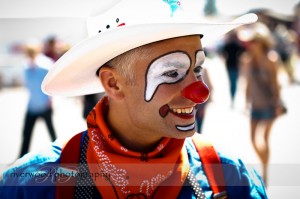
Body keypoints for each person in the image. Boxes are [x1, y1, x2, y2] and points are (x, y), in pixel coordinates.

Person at [0, 1, 267, 198]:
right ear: (113, 83)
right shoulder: (30, 186)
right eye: (172, 73)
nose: (199, 91)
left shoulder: (232, 178)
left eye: (197, 70)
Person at [238, 22, 284, 187]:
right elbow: (247, 84)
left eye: (253, 41)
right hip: (255, 105)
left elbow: (276, 83)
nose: (250, 44)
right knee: (252, 139)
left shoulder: (271, 58)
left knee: (264, 139)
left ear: (261, 41)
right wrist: (245, 103)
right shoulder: (247, 59)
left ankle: (265, 171)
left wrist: (278, 103)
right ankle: (264, 165)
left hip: (269, 104)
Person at [18, 39, 57, 158]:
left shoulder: (45, 65)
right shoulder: (26, 67)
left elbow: (50, 84)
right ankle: (21, 158)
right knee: (26, 133)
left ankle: (60, 154)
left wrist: (50, 101)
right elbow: (28, 86)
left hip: (44, 105)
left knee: (51, 133)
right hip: (32, 105)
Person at [219, 30, 245, 108]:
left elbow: (222, 54)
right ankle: (232, 98)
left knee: (232, 83)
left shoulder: (230, 45)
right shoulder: (237, 45)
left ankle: (232, 98)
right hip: (234, 66)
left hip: (231, 65)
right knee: (234, 83)